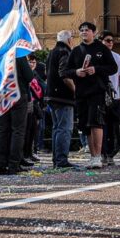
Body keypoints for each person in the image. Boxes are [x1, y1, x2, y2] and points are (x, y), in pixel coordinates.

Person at [61, 22, 117, 170]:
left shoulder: (102, 48)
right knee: (85, 125)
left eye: (87, 30)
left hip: (97, 91)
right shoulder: (76, 51)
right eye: (82, 30)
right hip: (81, 92)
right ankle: (92, 157)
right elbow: (65, 71)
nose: (84, 32)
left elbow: (113, 68)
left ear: (93, 32)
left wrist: (96, 69)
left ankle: (98, 156)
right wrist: (76, 72)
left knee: (96, 122)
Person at [0, 56, 33, 175]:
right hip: (18, 94)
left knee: (2, 130)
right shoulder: (19, 55)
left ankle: (0, 164)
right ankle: (13, 164)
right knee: (18, 131)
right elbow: (29, 76)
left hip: (1, 95)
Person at [46, 30, 76, 169]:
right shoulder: (65, 52)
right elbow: (64, 74)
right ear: (69, 40)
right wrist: (76, 90)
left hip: (51, 94)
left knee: (57, 128)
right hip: (63, 97)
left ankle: (56, 160)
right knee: (65, 129)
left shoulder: (52, 52)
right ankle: (61, 160)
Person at [100, 31, 120, 166]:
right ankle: (102, 153)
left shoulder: (117, 57)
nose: (110, 42)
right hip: (100, 98)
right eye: (107, 40)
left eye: (111, 40)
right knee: (101, 127)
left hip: (115, 98)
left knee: (114, 128)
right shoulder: (97, 56)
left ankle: (111, 154)